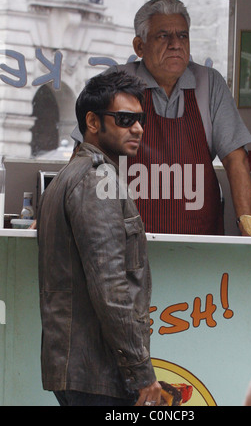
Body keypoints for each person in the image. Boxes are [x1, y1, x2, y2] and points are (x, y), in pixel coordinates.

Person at [71, 0, 251, 235]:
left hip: (197, 241)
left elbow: (235, 160)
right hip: (123, 239)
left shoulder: (209, 84)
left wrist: (250, 234)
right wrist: (56, 215)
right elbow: (83, 156)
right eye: (163, 36)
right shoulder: (116, 83)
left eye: (183, 36)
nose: (176, 44)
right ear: (139, 46)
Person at [37, 71, 161, 407]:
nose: (137, 128)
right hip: (99, 375)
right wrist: (141, 373)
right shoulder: (96, 181)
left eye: (140, 119)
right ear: (92, 121)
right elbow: (111, 289)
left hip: (80, 370)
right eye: (123, 119)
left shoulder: (73, 175)